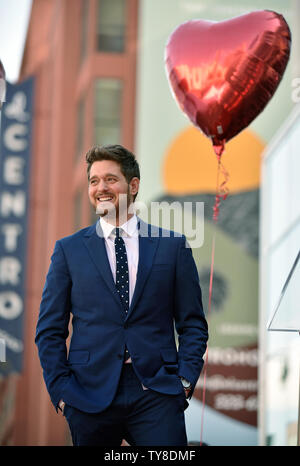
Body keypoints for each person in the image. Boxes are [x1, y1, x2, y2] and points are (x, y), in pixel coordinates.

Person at [35, 144, 208, 446]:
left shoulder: (172, 246)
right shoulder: (68, 250)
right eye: (93, 180)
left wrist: (183, 381)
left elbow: (193, 324)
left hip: (157, 393)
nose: (101, 187)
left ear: (133, 185)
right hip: (87, 395)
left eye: (110, 179)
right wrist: (62, 391)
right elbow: (49, 330)